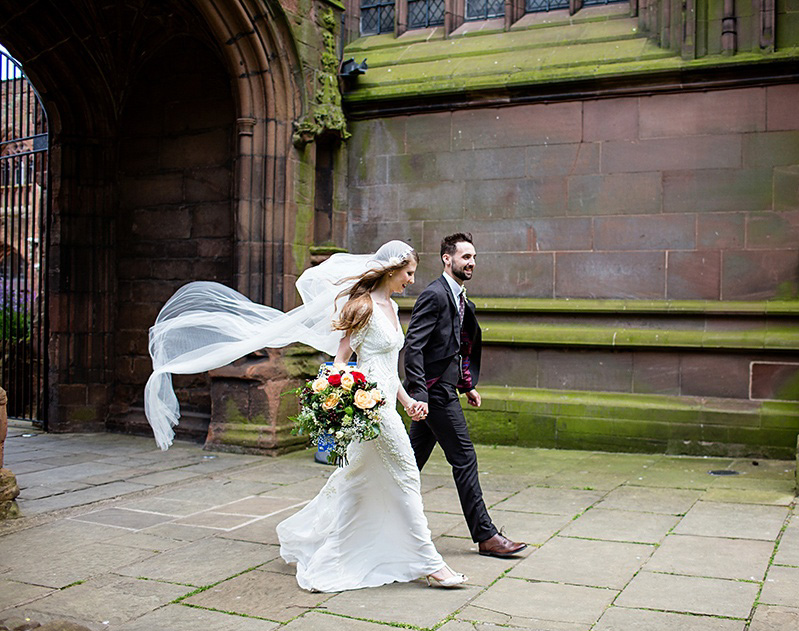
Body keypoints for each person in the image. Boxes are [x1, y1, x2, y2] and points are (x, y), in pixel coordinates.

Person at [144, 240, 466, 591]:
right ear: (391, 270)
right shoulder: (363, 307)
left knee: (357, 482)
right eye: (408, 273)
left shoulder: (390, 306)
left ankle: (328, 550)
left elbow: (388, 368)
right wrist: (348, 397)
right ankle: (432, 564)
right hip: (372, 411)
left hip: (389, 404)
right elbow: (343, 362)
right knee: (406, 475)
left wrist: (406, 401)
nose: (411, 280)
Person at [403, 233, 527, 558]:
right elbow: (413, 347)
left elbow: (452, 346)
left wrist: (466, 384)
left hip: (445, 389)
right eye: (465, 257)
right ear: (447, 258)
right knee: (464, 459)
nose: (471, 262)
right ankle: (486, 535)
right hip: (434, 394)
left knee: (408, 464)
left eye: (473, 257)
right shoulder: (435, 294)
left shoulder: (458, 297)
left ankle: (374, 517)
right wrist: (420, 396)